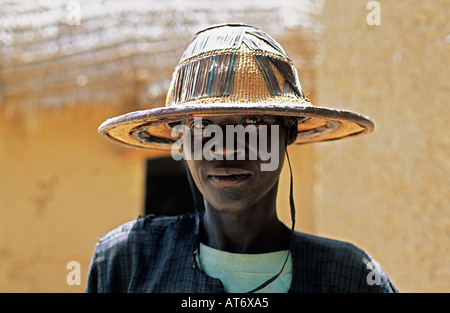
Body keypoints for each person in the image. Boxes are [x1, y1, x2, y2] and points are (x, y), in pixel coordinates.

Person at [87, 23, 397, 293]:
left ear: (288, 132)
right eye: (201, 126)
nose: (224, 148)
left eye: (252, 123)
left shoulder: (350, 278)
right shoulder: (127, 261)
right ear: (179, 138)